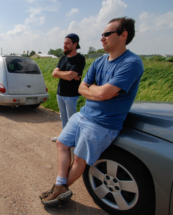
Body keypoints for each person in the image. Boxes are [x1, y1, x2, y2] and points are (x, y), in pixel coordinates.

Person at [40, 17, 144, 206]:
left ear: (123, 35)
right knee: (62, 143)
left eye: (106, 34)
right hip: (84, 114)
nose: (101, 38)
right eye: (102, 34)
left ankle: (58, 188)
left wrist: (97, 90)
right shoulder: (99, 61)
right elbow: (82, 88)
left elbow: (104, 93)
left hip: (102, 122)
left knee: (79, 158)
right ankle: (60, 186)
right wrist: (98, 91)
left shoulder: (132, 63)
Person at [51, 34, 86, 142]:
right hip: (60, 92)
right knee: (63, 117)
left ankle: (74, 139)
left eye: (67, 43)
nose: (64, 45)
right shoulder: (63, 58)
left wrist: (63, 74)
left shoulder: (80, 59)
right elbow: (54, 74)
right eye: (64, 43)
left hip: (71, 94)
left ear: (75, 44)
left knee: (72, 118)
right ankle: (64, 137)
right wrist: (69, 75)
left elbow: (69, 76)